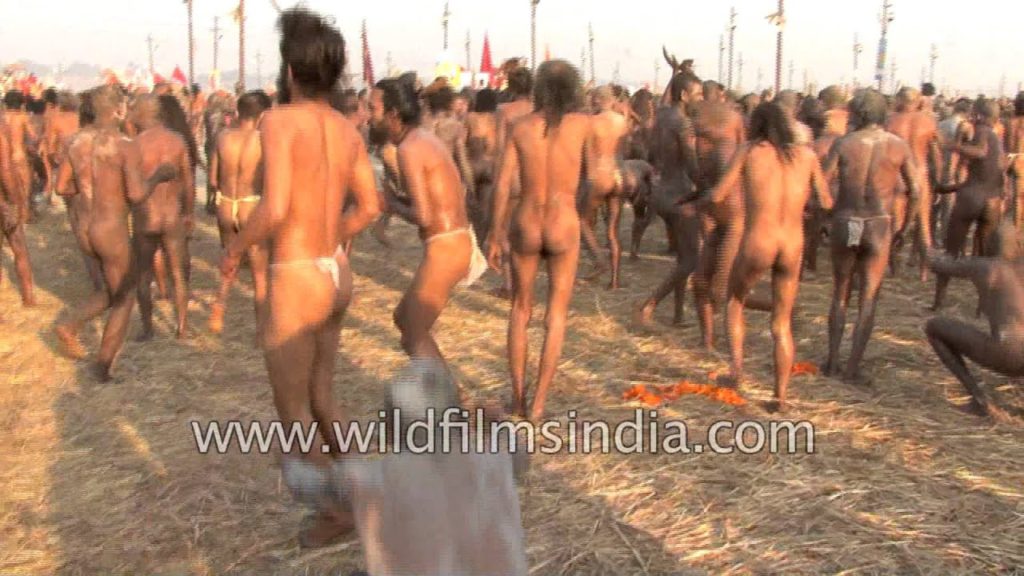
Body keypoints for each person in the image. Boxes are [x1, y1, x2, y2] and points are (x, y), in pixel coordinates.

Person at [219, 7, 381, 548]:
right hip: (335, 274)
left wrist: (235, 247)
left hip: (295, 275)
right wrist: (330, 239)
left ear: (290, 70)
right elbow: (370, 206)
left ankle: (337, 511)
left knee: (292, 411)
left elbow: (275, 206)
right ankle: (366, 493)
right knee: (323, 398)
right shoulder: (346, 128)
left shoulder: (278, 121)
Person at [683, 102, 831, 411]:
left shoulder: (749, 151)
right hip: (792, 244)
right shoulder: (806, 156)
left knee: (735, 302)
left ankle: (736, 371)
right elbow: (826, 202)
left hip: (758, 240)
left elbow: (719, 194)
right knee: (781, 323)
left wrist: (697, 203)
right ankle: (780, 397)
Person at [487, 60, 590, 422]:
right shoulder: (582, 126)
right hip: (563, 221)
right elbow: (594, 177)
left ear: (539, 88)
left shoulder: (520, 127)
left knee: (520, 310)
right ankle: (539, 405)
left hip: (527, 220)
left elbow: (502, 184)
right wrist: (582, 213)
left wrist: (494, 233)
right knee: (556, 315)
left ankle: (517, 400)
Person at [54, 85, 176, 380]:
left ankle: (71, 325)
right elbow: (136, 195)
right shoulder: (124, 145)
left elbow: (61, 187)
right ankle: (102, 365)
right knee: (125, 296)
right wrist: (158, 176)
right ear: (119, 110)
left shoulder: (76, 141)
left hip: (84, 227)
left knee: (114, 289)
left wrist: (90, 190)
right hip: (110, 228)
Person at [371, 78, 485, 371]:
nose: (368, 116)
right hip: (453, 241)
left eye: (373, 109)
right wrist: (396, 199)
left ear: (393, 114)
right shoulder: (421, 139)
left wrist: (390, 204)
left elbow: (424, 216)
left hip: (447, 247)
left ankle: (451, 398)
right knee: (403, 319)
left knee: (413, 330)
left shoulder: (408, 149)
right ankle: (450, 394)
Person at [821, 89, 928, 384]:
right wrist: (905, 227)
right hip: (878, 225)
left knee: (840, 292)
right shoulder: (898, 146)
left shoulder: (845, 143)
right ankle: (852, 369)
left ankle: (832, 362)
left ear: (858, 113)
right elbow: (916, 190)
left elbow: (822, 184)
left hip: (848, 221)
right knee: (868, 297)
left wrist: (826, 217)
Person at [925, 223, 1023, 423]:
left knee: (933, 327)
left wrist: (926, 244)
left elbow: (938, 265)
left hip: (1009, 352)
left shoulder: (985, 266)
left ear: (989, 245)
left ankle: (980, 400)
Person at [633, 70, 702, 326]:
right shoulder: (683, 124)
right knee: (691, 260)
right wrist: (708, 188)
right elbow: (692, 165)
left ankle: (678, 315)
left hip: (660, 191)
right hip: (680, 194)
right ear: (684, 95)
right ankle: (649, 305)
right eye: (698, 94)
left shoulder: (660, 117)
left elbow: (652, 153)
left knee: (683, 258)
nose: (700, 99)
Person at [208, 90, 273, 337]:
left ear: (239, 112)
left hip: (226, 204)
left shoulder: (223, 136)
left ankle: (220, 304)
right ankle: (261, 332)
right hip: (250, 205)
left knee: (230, 259)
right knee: (259, 274)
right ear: (263, 114)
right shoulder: (263, 140)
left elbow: (213, 180)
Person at [129, 95, 194, 341]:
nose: (131, 115)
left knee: (143, 275)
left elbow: (131, 188)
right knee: (178, 273)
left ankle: (148, 329)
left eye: (134, 110)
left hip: (145, 217)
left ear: (144, 113)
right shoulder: (177, 141)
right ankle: (182, 327)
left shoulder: (135, 145)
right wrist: (189, 212)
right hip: (172, 215)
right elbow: (188, 182)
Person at [931, 99, 1006, 311]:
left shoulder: (982, 131)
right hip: (992, 202)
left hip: (971, 200)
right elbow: (985, 177)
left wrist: (949, 144)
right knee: (983, 257)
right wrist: (950, 188)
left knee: (951, 252)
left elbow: (979, 152)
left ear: (979, 115)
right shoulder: (997, 140)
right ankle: (983, 305)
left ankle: (938, 302)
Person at [690, 79, 748, 349]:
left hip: (734, 222)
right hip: (718, 221)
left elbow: (719, 193)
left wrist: (696, 204)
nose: (695, 140)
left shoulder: (727, 151)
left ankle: (734, 354)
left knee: (720, 289)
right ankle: (707, 342)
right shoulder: (713, 150)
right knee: (700, 283)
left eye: (698, 134)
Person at [886, 87, 940, 281]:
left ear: (900, 100)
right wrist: (937, 181)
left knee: (895, 224)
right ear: (918, 101)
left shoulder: (891, 121)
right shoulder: (928, 122)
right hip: (920, 174)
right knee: (924, 226)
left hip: (898, 175)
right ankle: (924, 272)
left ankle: (895, 269)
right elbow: (936, 155)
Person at [580, 85, 629, 289]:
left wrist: (587, 181)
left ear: (599, 100)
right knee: (612, 231)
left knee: (581, 220)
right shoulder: (622, 121)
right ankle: (615, 280)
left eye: (593, 99)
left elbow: (587, 155)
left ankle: (599, 260)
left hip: (600, 175)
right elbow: (623, 151)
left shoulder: (591, 122)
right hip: (618, 175)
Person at [490, 67, 534, 298]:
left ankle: (509, 284)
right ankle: (526, 282)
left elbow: (499, 149)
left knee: (506, 231)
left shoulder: (504, 110)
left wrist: (497, 180)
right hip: (534, 174)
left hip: (513, 174)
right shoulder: (539, 110)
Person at [0, 106, 35, 308]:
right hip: (2, 201)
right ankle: (28, 298)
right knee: (19, 246)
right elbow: (5, 169)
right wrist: (15, 202)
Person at [465, 88, 499, 238]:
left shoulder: (470, 118)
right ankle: (482, 239)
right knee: (485, 211)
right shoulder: (498, 118)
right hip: (491, 166)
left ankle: (472, 239)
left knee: (470, 207)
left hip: (474, 165)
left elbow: (463, 142)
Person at [3, 91, 36, 223]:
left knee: (5, 190)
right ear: (21, 103)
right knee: (24, 188)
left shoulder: (1, 117)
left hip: (3, 157)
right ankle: (24, 216)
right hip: (19, 155)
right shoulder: (22, 117)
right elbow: (33, 136)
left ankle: (10, 217)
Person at [1006, 92, 1024, 229]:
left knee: (1013, 198)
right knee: (1019, 198)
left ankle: (1015, 229)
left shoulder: (1010, 122)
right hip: (1022, 159)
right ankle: (1018, 229)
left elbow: (1007, 145)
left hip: (1012, 158)